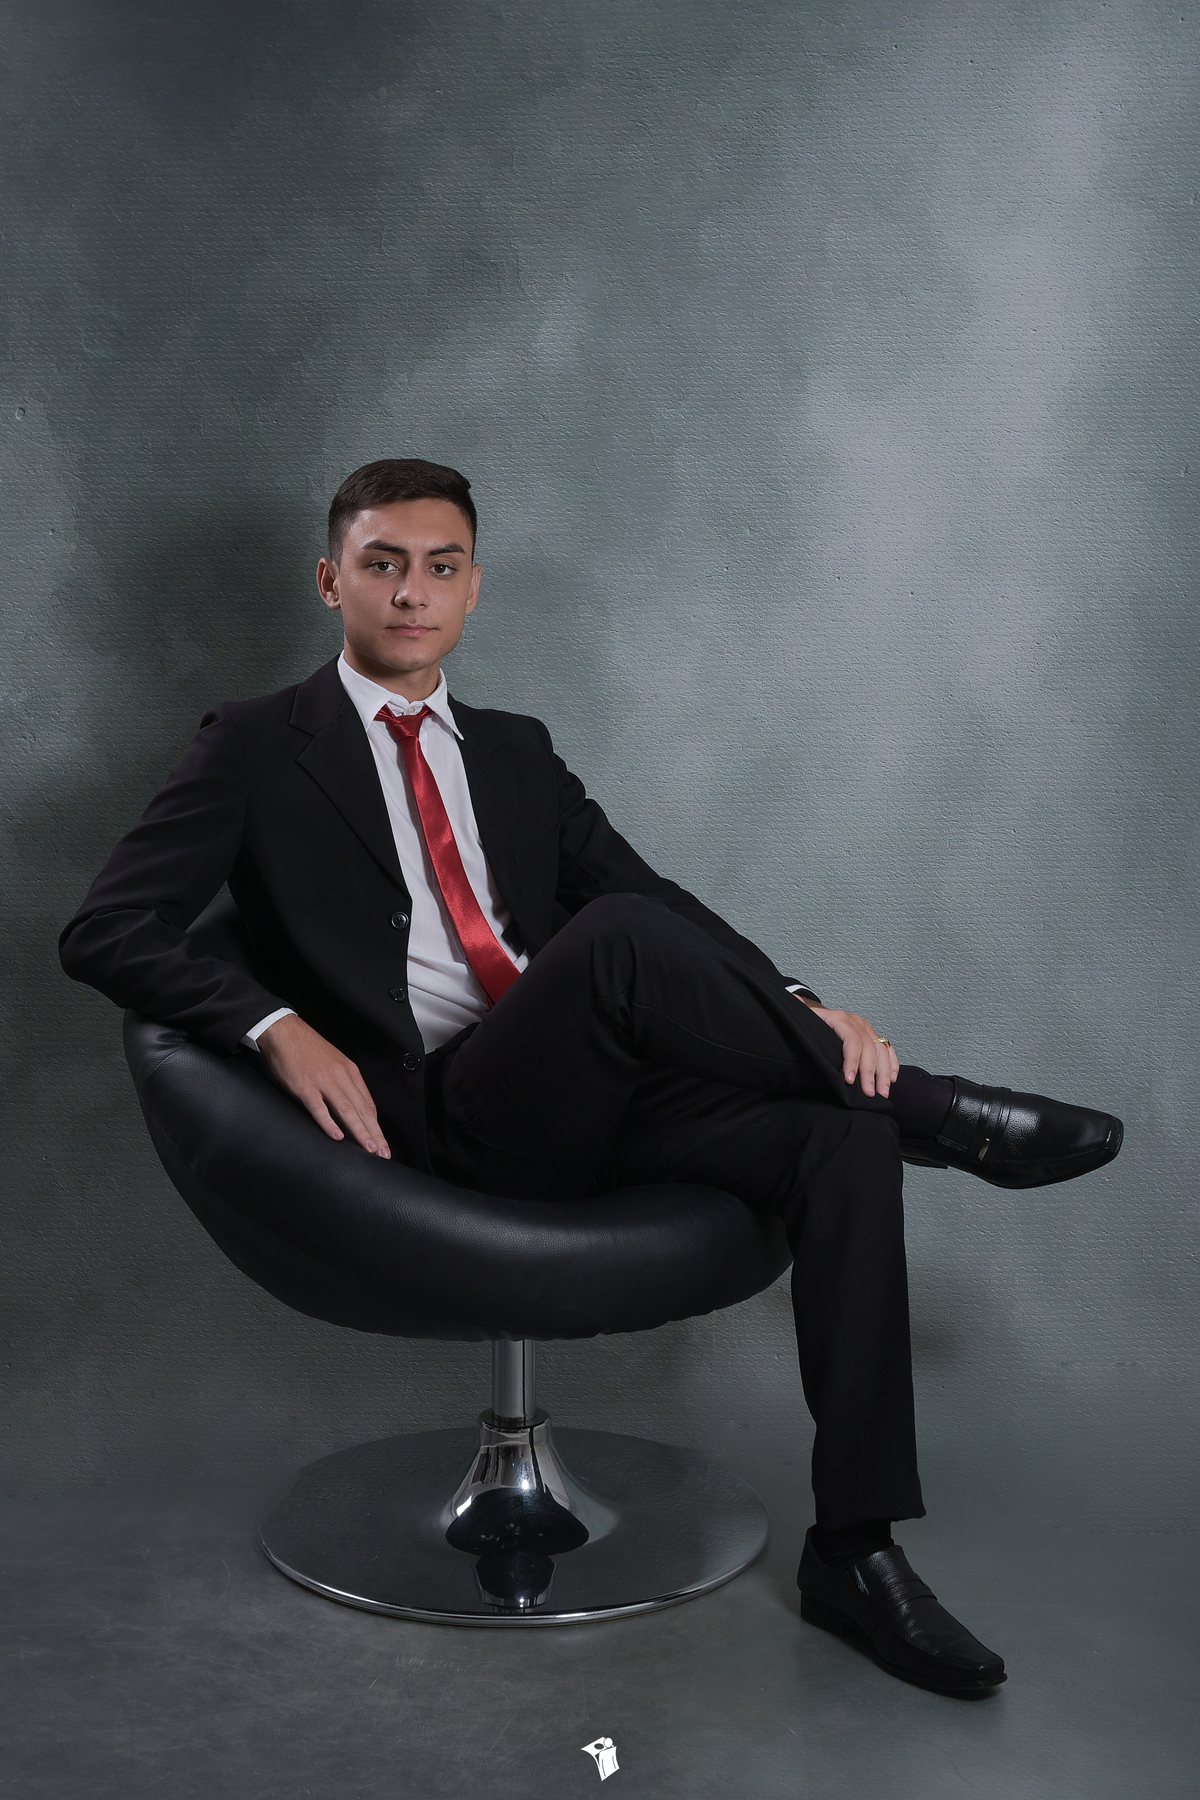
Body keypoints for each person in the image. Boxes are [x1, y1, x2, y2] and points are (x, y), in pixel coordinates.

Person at [60, 458, 1123, 1694]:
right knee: (618, 947)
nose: (411, 593)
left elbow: (649, 896)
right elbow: (105, 931)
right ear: (330, 581)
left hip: (586, 1091)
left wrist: (797, 1004)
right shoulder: (253, 746)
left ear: (474, 589)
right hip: (447, 1118)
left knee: (839, 1139)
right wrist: (272, 1023)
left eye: (440, 568)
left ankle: (856, 1551)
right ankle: (941, 1112)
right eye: (382, 565)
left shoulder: (516, 752)